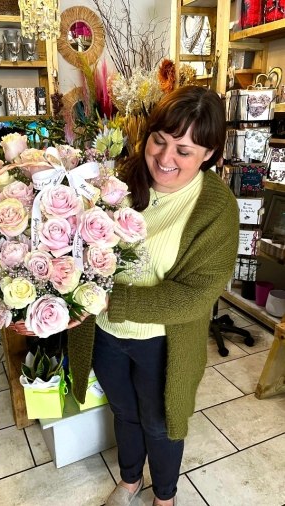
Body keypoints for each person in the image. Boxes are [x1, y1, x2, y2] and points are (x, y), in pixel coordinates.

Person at [68, 86, 239, 506]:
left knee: (160, 424)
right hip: (105, 333)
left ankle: (165, 497)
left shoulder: (215, 208)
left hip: (161, 343)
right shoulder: (120, 181)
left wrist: (112, 300)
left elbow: (196, 296)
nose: (165, 159)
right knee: (124, 413)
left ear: (210, 154)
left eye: (184, 150)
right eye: (159, 141)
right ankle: (130, 482)